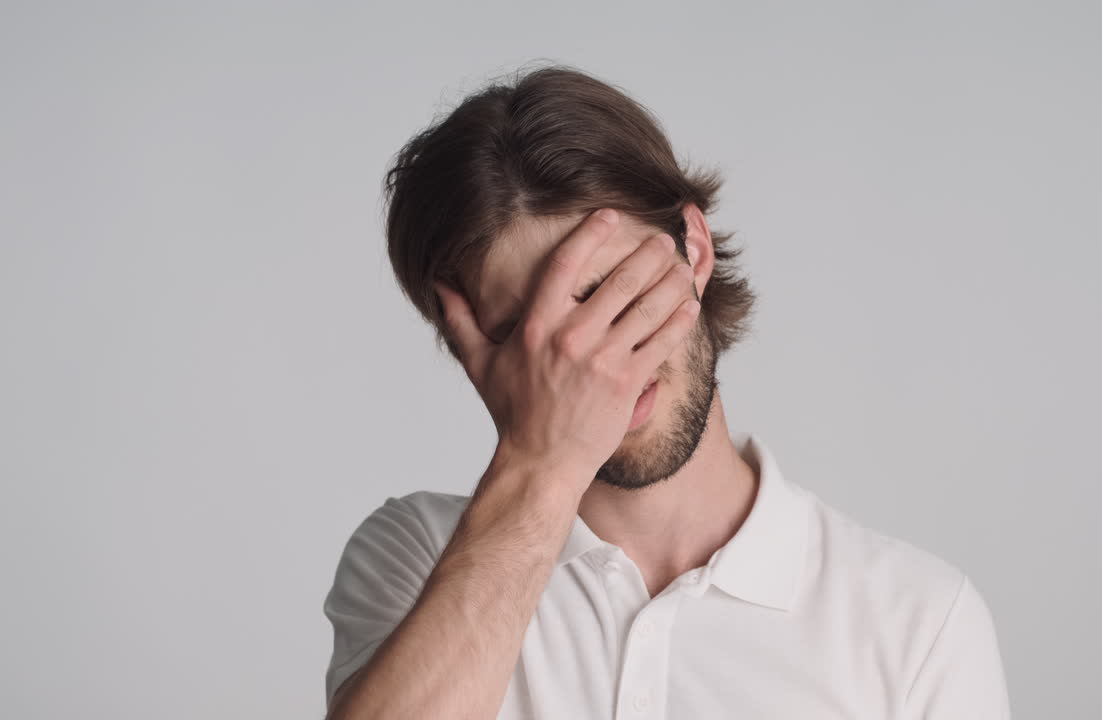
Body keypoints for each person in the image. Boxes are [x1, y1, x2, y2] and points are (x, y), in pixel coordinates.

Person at [322, 63, 1011, 720]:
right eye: (528, 333)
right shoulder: (415, 557)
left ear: (694, 251)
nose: (588, 360)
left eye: (608, 292)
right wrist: (541, 464)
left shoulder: (917, 619)